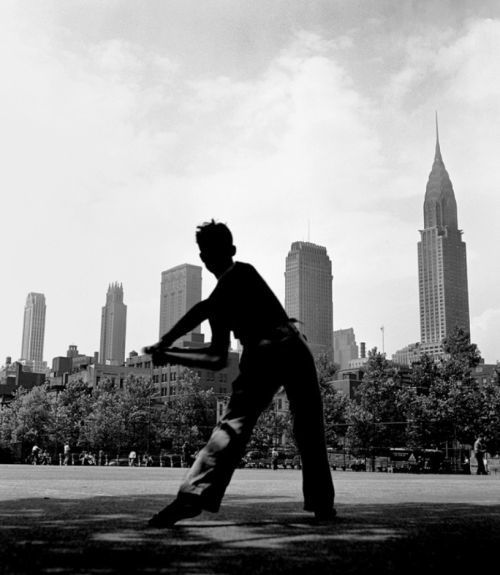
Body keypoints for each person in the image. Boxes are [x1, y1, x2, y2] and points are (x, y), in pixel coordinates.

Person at [145, 220, 335, 527]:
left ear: (230, 251)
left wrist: (166, 344)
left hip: (276, 347)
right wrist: (170, 352)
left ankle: (193, 496)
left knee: (254, 426)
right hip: (283, 348)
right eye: (204, 252)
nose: (207, 258)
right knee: (289, 427)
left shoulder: (241, 273)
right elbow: (217, 357)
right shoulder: (221, 298)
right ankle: (321, 504)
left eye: (210, 251)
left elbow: (205, 309)